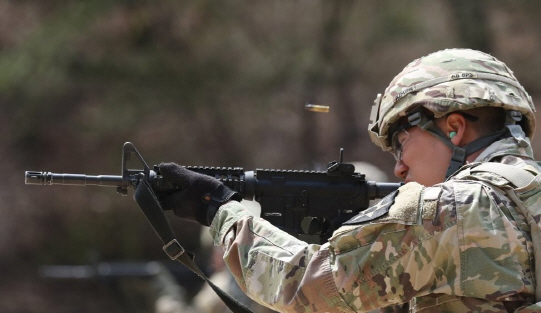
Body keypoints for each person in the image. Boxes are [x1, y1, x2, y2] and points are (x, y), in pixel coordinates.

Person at [153, 49, 541, 312]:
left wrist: (220, 209)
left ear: (454, 128)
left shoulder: (450, 211)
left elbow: (307, 286)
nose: (400, 169)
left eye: (402, 141)